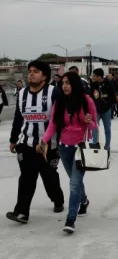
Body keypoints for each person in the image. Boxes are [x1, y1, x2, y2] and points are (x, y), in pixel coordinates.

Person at [6, 60, 65, 224]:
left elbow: (60, 119)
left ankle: (57, 199)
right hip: (26, 144)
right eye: (30, 71)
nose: (31, 74)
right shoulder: (22, 93)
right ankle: (21, 212)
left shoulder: (54, 92)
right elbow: (18, 118)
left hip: (49, 145)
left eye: (36, 71)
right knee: (26, 178)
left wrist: (62, 143)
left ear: (44, 76)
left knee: (49, 176)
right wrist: (13, 139)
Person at [39, 71, 97, 234]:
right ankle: (83, 200)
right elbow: (52, 124)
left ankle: (70, 219)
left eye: (68, 83)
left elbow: (94, 126)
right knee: (74, 180)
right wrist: (44, 140)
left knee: (74, 184)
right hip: (64, 147)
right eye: (62, 83)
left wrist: (89, 121)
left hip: (81, 148)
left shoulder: (87, 101)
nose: (64, 86)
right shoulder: (59, 102)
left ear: (75, 84)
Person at [90, 68, 116, 150]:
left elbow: (112, 98)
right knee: (94, 128)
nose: (93, 77)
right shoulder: (93, 85)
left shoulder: (108, 84)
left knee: (107, 128)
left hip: (106, 110)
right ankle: (95, 144)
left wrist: (107, 105)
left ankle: (107, 145)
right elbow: (90, 96)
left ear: (99, 76)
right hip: (96, 110)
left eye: (94, 75)